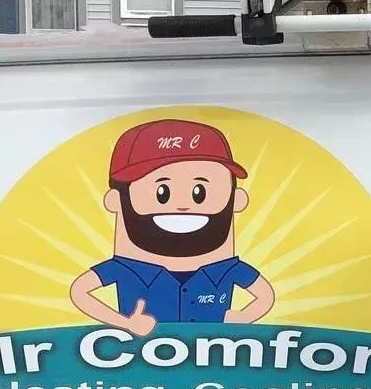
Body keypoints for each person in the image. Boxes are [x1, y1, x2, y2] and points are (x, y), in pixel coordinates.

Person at [69, 117, 276, 335]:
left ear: (236, 200)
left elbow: (265, 296)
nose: (183, 206)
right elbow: (79, 291)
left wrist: (242, 318)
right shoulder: (126, 268)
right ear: (116, 201)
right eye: (162, 193)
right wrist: (126, 323)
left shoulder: (225, 270)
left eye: (199, 192)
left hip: (211, 360)